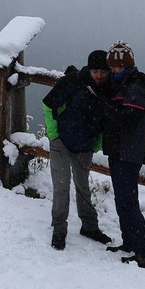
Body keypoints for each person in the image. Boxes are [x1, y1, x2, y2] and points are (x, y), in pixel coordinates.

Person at [41, 49, 116, 250]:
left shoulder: (110, 89)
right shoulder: (73, 81)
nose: (99, 75)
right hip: (61, 141)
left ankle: (90, 227)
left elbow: (107, 121)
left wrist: (96, 144)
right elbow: (48, 105)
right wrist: (53, 135)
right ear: (89, 69)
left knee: (83, 186)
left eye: (103, 71)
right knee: (62, 186)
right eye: (95, 71)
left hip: (85, 145)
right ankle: (59, 229)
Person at [102, 41, 145, 268]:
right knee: (122, 200)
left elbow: (128, 118)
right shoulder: (121, 84)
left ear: (126, 65)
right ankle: (129, 242)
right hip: (119, 150)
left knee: (128, 203)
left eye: (115, 66)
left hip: (128, 152)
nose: (112, 70)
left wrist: (105, 107)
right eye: (111, 67)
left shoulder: (134, 87)